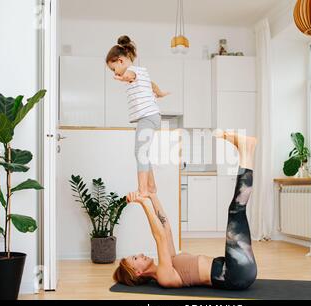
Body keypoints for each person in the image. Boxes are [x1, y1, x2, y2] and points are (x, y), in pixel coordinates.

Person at [113, 131, 258, 290]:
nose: (140, 254)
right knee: (236, 209)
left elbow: (165, 229)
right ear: (137, 272)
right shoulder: (164, 277)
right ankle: (246, 150)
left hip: (233, 266)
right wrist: (143, 202)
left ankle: (247, 150)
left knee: (236, 209)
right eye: (135, 258)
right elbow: (159, 237)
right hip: (236, 273)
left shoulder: (171, 260)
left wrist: (153, 196)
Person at [106, 35, 169, 198]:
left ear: (120, 61)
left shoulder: (132, 72)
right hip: (151, 117)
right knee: (143, 152)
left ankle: (143, 190)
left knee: (140, 152)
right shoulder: (142, 72)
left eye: (113, 68)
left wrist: (122, 77)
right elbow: (152, 84)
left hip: (148, 117)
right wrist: (159, 92)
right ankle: (151, 186)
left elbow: (130, 76)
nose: (114, 72)